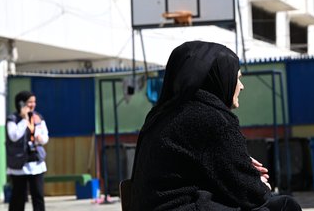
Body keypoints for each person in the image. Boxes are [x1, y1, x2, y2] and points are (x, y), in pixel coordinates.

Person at [128, 41, 302, 210]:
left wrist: (240, 166)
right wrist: (256, 181)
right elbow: (252, 194)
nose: (241, 87)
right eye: (237, 78)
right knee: (285, 206)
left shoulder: (162, 114)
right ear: (220, 78)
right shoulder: (212, 119)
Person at [6, 91, 49, 211]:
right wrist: (24, 120)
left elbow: (45, 136)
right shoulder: (13, 119)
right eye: (30, 102)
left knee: (38, 195)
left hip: (36, 162)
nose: (33, 104)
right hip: (19, 164)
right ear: (21, 103)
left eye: (34, 102)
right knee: (18, 197)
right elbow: (14, 136)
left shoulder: (38, 117)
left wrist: (41, 139)